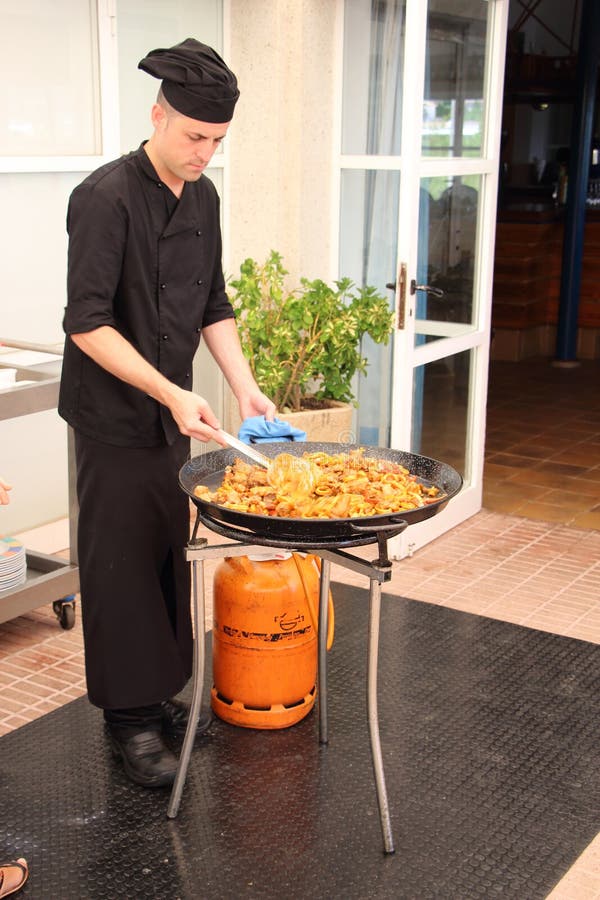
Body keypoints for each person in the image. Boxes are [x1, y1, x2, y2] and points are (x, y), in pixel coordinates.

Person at [58, 38, 276, 789]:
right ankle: (129, 724)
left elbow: (212, 304)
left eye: (216, 142)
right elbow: (87, 322)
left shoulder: (204, 198)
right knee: (119, 564)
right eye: (193, 137)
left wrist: (243, 386)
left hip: (175, 417)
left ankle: (160, 698)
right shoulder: (104, 197)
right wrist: (172, 391)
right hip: (115, 418)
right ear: (158, 115)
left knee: (166, 556)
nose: (204, 154)